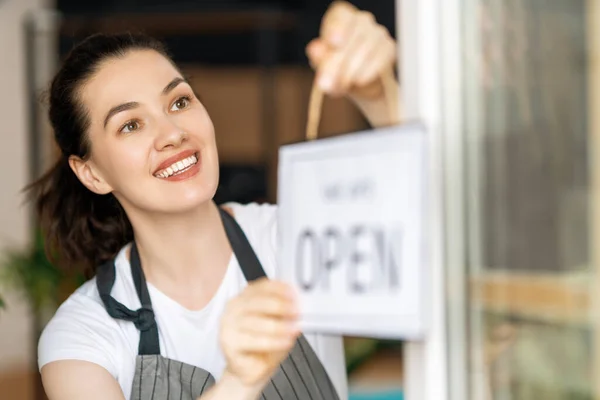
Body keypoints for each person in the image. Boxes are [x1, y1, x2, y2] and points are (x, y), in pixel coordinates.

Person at [33, 2, 399, 399]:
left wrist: (378, 94)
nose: (172, 132)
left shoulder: (293, 238)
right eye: (131, 125)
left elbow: (432, 218)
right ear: (92, 173)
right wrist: (240, 380)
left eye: (179, 102)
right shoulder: (83, 335)